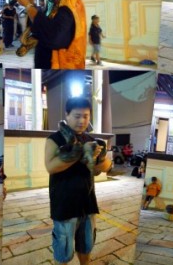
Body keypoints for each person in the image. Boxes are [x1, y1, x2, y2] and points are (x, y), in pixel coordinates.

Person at [45, 97, 113, 265]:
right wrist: (80, 153)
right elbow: (51, 167)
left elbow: (102, 168)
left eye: (86, 116)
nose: (82, 121)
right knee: (64, 252)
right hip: (65, 205)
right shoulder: (55, 139)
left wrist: (100, 156)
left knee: (86, 246)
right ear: (67, 115)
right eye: (77, 116)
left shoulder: (92, 140)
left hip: (88, 204)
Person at [15, 0, 87, 69]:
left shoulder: (68, 2)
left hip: (61, 74)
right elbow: (44, 24)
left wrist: (28, 5)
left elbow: (53, 37)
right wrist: (30, 3)